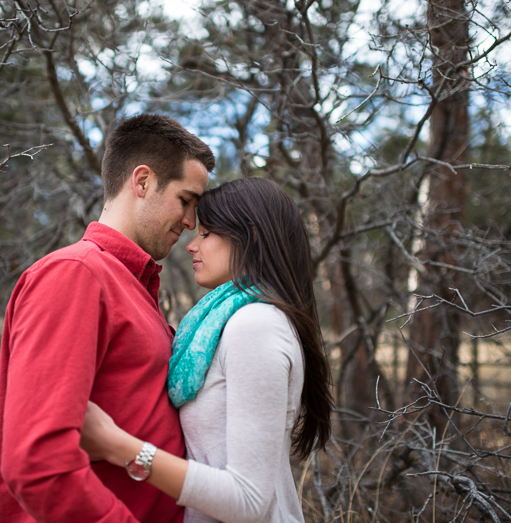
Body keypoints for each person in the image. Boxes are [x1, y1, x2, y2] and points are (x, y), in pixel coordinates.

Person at [0, 113, 216, 522]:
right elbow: (39, 463)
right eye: (186, 200)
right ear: (142, 182)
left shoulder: (132, 287)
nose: (190, 222)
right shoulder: (75, 275)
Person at [81, 177, 334, 523]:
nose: (191, 245)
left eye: (206, 233)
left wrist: (116, 445)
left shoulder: (255, 325)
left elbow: (247, 500)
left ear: (250, 236)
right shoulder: (226, 321)